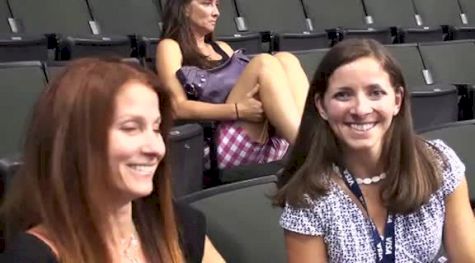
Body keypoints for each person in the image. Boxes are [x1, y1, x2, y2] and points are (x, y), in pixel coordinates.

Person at [0, 58, 224, 263]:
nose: (156, 148)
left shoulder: (179, 225)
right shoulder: (33, 256)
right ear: (78, 140)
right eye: (130, 128)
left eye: (156, 129)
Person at [274, 39, 475, 262]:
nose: (361, 109)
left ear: (397, 100)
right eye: (343, 95)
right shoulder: (308, 194)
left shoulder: (439, 163)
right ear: (322, 106)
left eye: (376, 93)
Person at [156, 0, 309, 169]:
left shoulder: (222, 47)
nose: (216, 12)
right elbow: (177, 107)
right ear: (184, 9)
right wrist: (238, 110)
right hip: (215, 145)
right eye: (207, 4)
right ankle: (313, 153)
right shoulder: (170, 46)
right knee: (264, 62)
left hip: (264, 135)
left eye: (217, 5)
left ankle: (313, 139)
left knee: (286, 59)